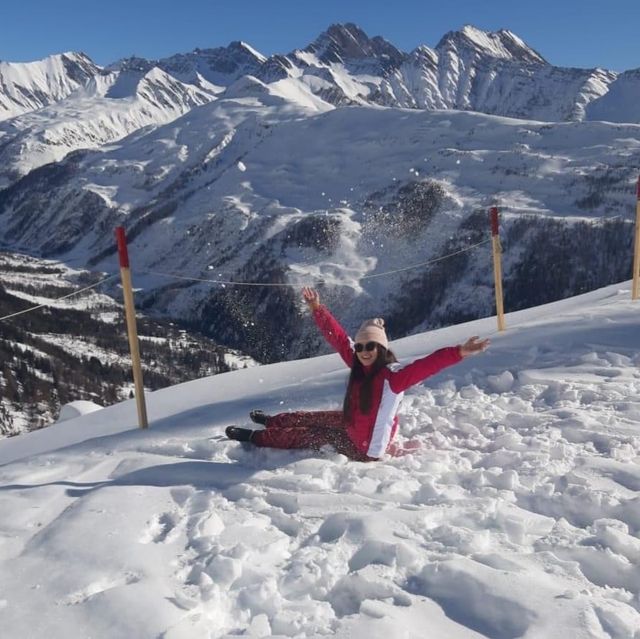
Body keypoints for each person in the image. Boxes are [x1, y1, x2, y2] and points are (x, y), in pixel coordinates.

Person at [226, 287, 489, 461]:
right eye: (361, 346)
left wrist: (459, 352)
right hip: (355, 425)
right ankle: (274, 421)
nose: (363, 351)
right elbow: (340, 339)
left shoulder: (393, 378)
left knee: (308, 434)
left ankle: (255, 437)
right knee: (310, 417)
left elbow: (428, 364)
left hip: (365, 449)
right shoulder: (360, 365)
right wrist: (318, 309)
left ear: (382, 349)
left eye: (370, 346)